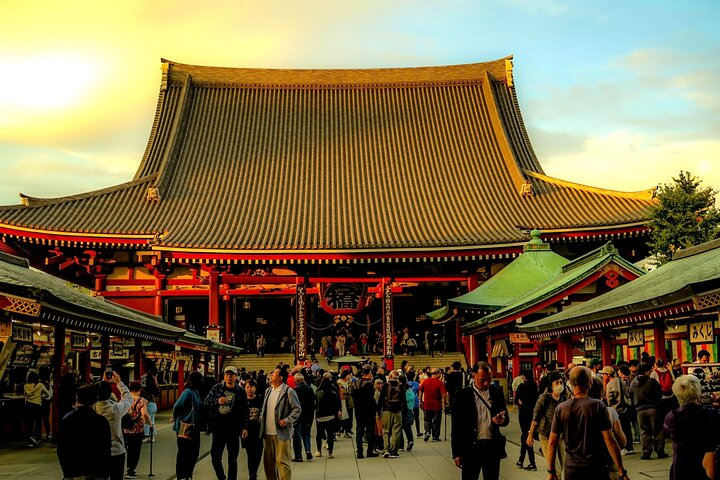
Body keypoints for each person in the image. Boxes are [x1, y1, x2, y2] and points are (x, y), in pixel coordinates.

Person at [546, 367, 629, 480]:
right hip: (596, 467)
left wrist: (551, 471)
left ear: (570, 383)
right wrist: (621, 470)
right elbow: (609, 439)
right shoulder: (597, 406)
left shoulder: (561, 408)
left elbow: (552, 442)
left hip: (571, 468)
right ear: (589, 382)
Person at [451, 361, 509, 480]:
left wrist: (501, 419)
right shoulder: (462, 395)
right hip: (471, 447)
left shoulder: (496, 392)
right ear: (474, 376)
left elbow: (505, 417)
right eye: (483, 380)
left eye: (490, 379)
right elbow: (456, 425)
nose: (487, 383)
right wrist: (456, 452)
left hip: (491, 447)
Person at [664, 374, 720, 480]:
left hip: (681, 466)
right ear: (698, 392)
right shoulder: (712, 414)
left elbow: (666, 431)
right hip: (706, 465)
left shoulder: (672, 417)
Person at [57, 384, 112, 480]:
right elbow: (106, 448)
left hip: (73, 471)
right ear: (95, 400)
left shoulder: (67, 419)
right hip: (96, 471)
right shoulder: (101, 421)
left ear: (77, 399)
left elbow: (61, 448)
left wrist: (66, 470)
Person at [205, 365, 249, 480]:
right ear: (224, 376)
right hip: (218, 428)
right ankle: (221, 477)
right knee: (215, 457)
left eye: (232, 374)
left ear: (236, 376)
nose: (229, 376)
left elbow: (245, 410)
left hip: (234, 429)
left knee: (233, 459)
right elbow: (206, 402)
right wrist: (217, 401)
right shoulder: (217, 388)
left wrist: (244, 427)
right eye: (227, 374)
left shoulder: (240, 392)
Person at [260, 367, 301, 480]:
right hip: (267, 433)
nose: (271, 374)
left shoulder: (289, 391)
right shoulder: (268, 391)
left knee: (282, 462)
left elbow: (297, 409)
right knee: (268, 463)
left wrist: (287, 420)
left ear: (280, 378)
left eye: (274, 373)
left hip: (281, 433)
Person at [527, 371, 568, 478]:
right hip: (546, 436)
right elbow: (535, 418)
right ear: (551, 385)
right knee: (556, 469)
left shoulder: (563, 399)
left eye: (561, 382)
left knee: (561, 467)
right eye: (556, 383)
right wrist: (530, 435)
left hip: (560, 437)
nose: (559, 385)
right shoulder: (544, 398)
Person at [96, 371, 134, 480]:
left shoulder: (92, 408)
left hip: (97, 451)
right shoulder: (115, 409)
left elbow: (99, 392)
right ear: (110, 393)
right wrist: (119, 383)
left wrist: (103, 383)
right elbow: (128, 398)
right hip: (116, 451)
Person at [629, 362, 667, 460]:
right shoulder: (652, 381)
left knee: (644, 432)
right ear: (646, 371)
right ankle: (660, 451)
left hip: (640, 411)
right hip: (653, 409)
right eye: (649, 370)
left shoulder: (633, 383)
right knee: (658, 430)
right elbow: (660, 393)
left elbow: (631, 396)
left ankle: (646, 452)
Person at [172, 371, 204, 480]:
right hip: (185, 427)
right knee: (184, 453)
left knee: (194, 453)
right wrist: (174, 416)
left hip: (194, 427)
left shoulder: (195, 391)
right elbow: (177, 405)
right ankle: (182, 475)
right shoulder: (188, 392)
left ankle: (188, 473)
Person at [122, 381, 152, 479]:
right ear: (139, 390)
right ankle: (130, 470)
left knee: (125, 450)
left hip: (125, 429)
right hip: (137, 430)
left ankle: (123, 469)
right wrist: (150, 424)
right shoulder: (142, 401)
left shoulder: (124, 399)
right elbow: (144, 414)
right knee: (134, 451)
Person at [606, 365, 635, 455]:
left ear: (608, 374)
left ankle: (622, 447)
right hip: (625, 408)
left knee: (618, 430)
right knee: (627, 429)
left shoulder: (610, 384)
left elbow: (610, 397)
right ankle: (629, 447)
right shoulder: (622, 381)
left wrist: (610, 404)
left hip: (616, 409)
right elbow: (627, 393)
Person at [514, 370, 538, 471]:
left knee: (526, 436)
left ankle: (532, 463)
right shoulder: (534, 386)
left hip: (523, 413)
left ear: (524, 377)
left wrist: (520, 402)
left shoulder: (521, 387)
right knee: (525, 435)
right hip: (532, 413)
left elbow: (516, 401)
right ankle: (521, 460)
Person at [378, 369, 405, 458]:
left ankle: (386, 449)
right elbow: (403, 400)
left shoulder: (385, 385)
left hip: (386, 410)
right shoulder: (400, 386)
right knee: (396, 432)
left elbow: (381, 399)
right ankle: (394, 451)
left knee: (385, 431)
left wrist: (379, 411)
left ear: (389, 376)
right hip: (397, 411)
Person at [353, 366, 379, 458]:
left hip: (358, 411)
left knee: (359, 431)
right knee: (370, 431)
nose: (371, 376)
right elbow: (371, 399)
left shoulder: (355, 383)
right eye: (371, 374)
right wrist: (376, 408)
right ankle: (369, 451)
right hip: (368, 411)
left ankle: (359, 452)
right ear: (367, 374)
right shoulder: (368, 384)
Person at [314, 374, 341, 458]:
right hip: (330, 416)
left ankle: (318, 451)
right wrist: (338, 411)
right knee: (330, 434)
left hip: (320, 416)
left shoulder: (318, 392)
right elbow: (337, 404)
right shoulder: (333, 392)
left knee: (319, 434)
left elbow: (314, 404)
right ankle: (330, 452)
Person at [242, 379, 264, 480]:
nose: (250, 389)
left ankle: (254, 472)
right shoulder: (242, 400)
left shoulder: (260, 400)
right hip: (247, 431)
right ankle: (252, 474)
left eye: (251, 387)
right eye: (247, 387)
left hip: (258, 431)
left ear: (255, 388)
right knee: (250, 454)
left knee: (258, 452)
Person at [418, 368, 447, 442]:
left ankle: (427, 431)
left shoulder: (425, 381)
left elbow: (420, 392)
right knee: (436, 421)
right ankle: (435, 436)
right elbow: (443, 394)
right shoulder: (440, 383)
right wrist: (444, 404)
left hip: (427, 404)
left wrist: (420, 401)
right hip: (437, 405)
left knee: (427, 419)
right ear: (437, 374)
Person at [292, 372, 315, 462]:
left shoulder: (295, 390)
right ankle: (308, 451)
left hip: (299, 416)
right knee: (306, 435)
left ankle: (298, 455)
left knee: (297, 436)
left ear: (297, 381)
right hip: (308, 415)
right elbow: (313, 403)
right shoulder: (309, 389)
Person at [23, 370, 49, 447]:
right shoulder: (40, 385)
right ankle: (37, 438)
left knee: (30, 422)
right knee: (38, 422)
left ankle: (30, 440)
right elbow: (47, 394)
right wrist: (42, 397)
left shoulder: (25, 386)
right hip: (37, 405)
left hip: (29, 405)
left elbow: (25, 395)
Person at [141, 365, 160, 443]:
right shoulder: (155, 381)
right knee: (152, 420)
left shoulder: (147, 379)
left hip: (149, 404)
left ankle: (146, 435)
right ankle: (152, 437)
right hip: (154, 404)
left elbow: (145, 389)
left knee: (146, 419)